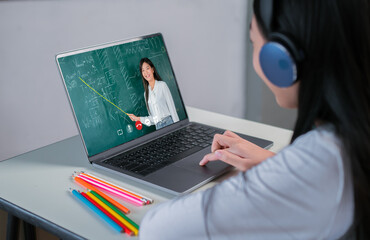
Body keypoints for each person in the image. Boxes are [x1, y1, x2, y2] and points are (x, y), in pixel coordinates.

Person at [139, 0, 370, 239]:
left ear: (280, 57)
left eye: (254, 41)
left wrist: (276, 177)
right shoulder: (346, 141)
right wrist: (276, 163)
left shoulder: (322, 164)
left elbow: (157, 229)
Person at [127, 57, 179, 130]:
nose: (146, 73)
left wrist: (178, 128)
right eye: (143, 70)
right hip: (158, 128)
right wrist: (137, 118)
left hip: (169, 123)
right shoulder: (146, 94)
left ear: (153, 69)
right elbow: (153, 120)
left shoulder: (162, 85)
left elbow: (172, 109)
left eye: (147, 68)